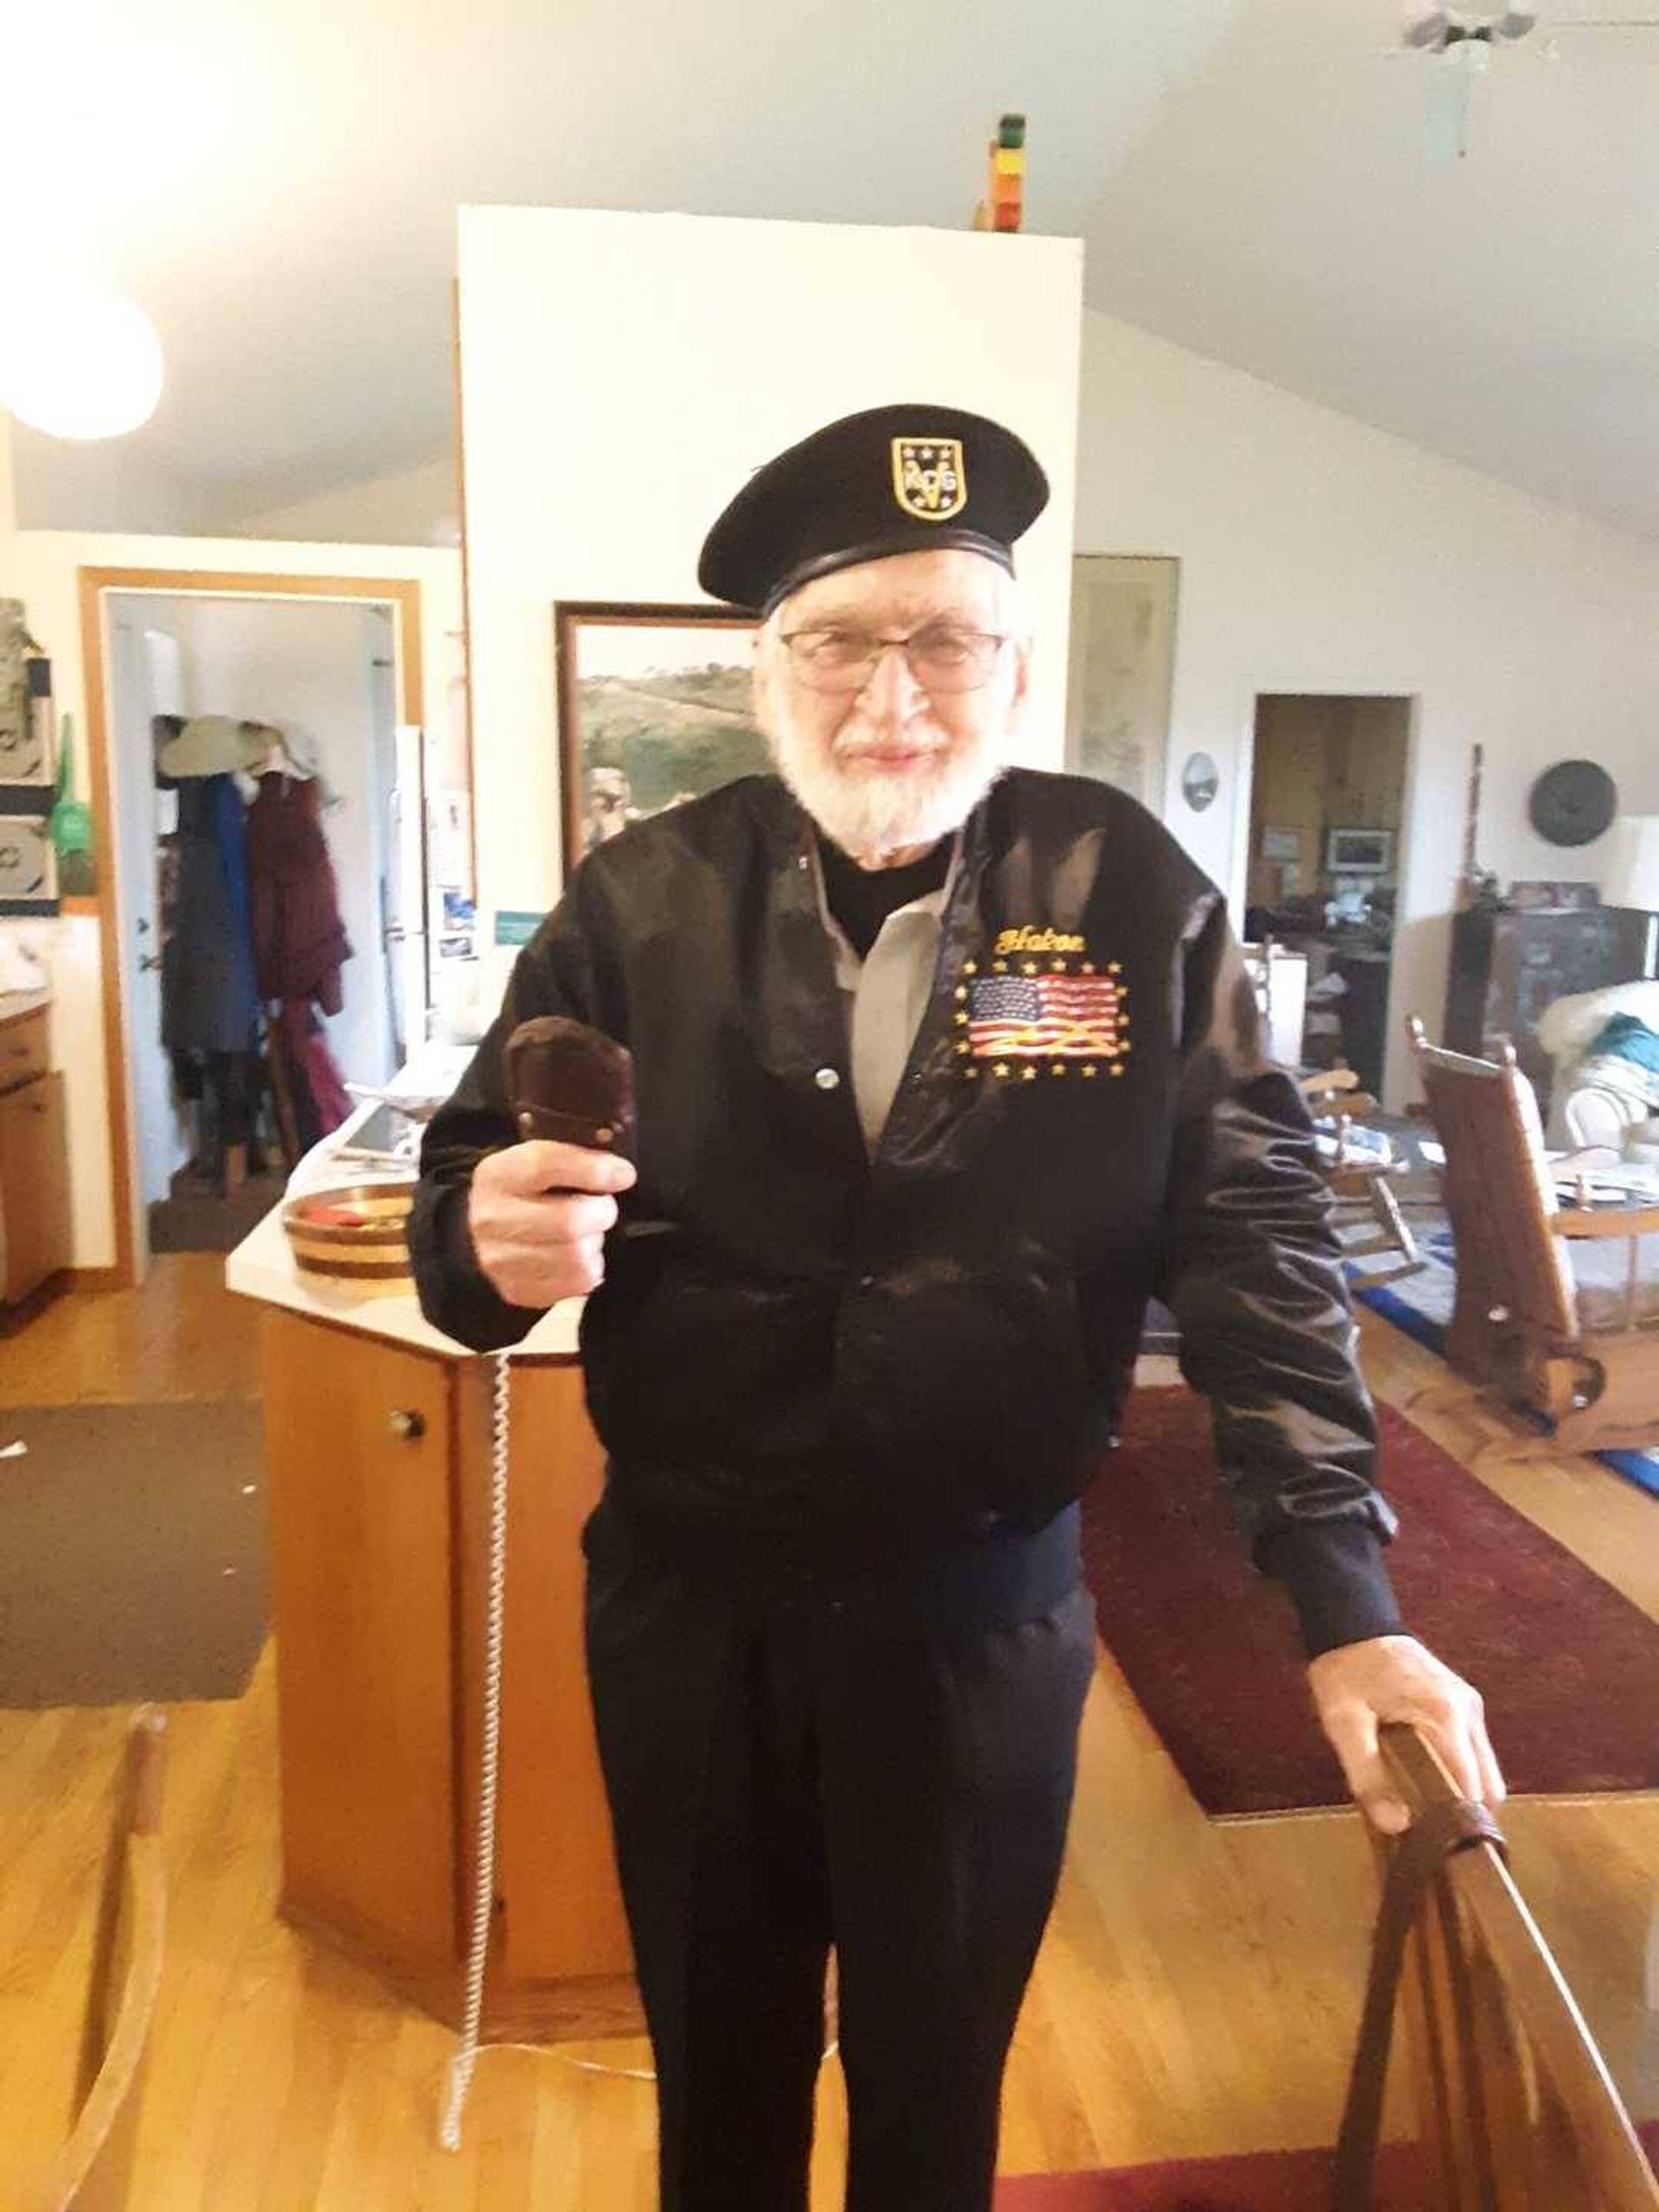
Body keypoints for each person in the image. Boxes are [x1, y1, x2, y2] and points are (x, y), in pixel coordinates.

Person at [410, 403, 1504, 2212]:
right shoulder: (637, 897)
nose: (893, 698)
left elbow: (1257, 1242)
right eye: (842, 638)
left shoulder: (1129, 891)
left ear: (1013, 661)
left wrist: (1347, 1600)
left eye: (946, 640)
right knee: (721, 2077)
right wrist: (480, 1241)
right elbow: (468, 1187)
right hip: (693, 1608)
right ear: (766, 661)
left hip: (978, 1614)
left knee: (939, 2089)